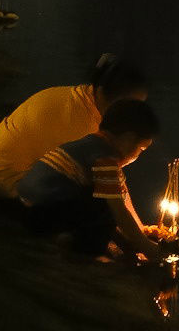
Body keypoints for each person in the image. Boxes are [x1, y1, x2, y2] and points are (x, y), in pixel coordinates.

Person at [0, 54, 148, 198]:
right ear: (106, 95)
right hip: (4, 184)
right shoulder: (86, 125)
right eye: (131, 105)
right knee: (94, 200)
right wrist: (140, 237)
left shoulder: (74, 96)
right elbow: (110, 188)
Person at [16, 99, 163, 260]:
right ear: (128, 139)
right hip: (42, 213)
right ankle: (80, 249)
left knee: (104, 201)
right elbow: (119, 211)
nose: (138, 155)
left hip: (25, 205)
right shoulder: (105, 158)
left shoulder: (89, 143)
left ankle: (65, 236)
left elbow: (122, 197)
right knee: (105, 207)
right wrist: (148, 248)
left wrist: (139, 233)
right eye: (141, 148)